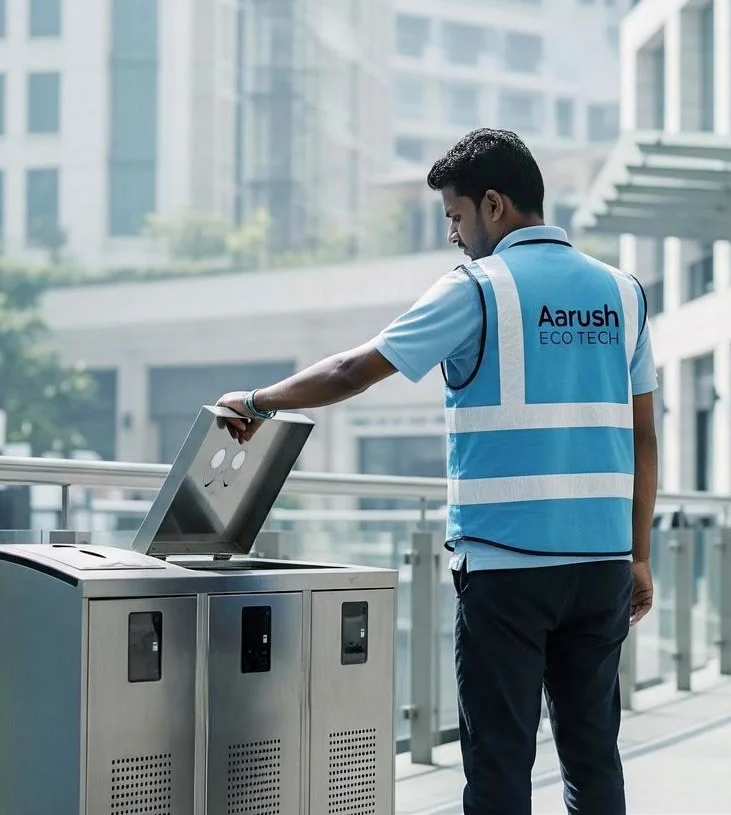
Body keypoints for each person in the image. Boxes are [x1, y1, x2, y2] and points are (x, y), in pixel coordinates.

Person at [212, 128, 659, 815]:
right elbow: (645, 438)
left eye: (455, 216)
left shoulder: (479, 289)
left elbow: (350, 370)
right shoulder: (622, 293)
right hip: (600, 563)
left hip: (507, 569)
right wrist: (639, 556)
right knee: (594, 754)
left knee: (500, 763)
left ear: (495, 205)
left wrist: (255, 401)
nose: (453, 234)